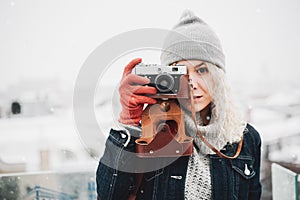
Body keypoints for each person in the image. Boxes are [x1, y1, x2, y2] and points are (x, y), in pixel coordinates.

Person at [96, 10, 262, 200]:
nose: (191, 82)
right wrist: (128, 124)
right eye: (180, 72)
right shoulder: (149, 133)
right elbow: (108, 195)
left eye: (202, 70)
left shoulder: (245, 139)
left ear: (218, 77)